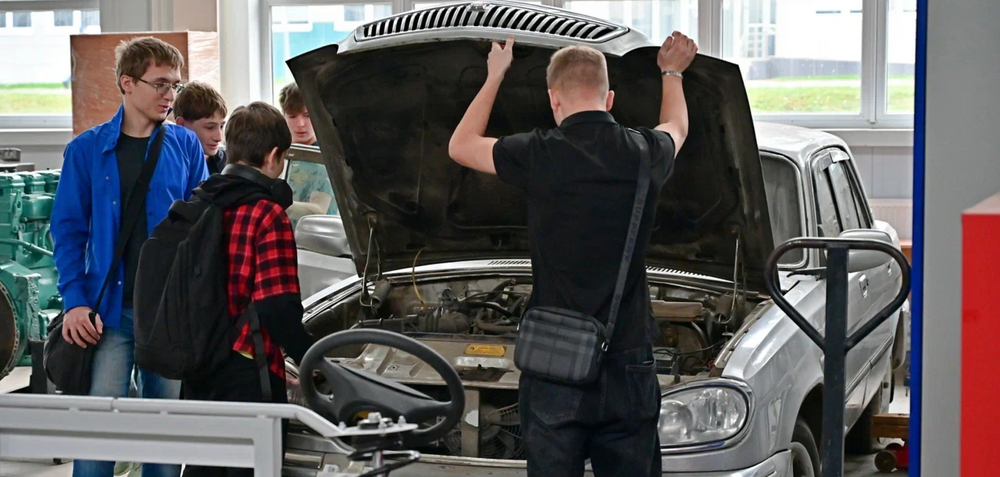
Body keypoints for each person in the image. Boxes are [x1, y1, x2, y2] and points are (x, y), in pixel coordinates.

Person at [447, 32, 698, 477]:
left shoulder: (538, 152)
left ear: (553, 99)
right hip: (628, 357)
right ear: (609, 98)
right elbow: (676, 126)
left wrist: (495, 74)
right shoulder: (644, 151)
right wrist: (671, 72)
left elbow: (461, 145)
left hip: (556, 360)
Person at [51, 36, 208, 477]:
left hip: (169, 315)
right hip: (107, 315)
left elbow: (202, 231)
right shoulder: (85, 150)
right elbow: (67, 231)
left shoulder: (185, 146)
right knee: (98, 435)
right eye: (160, 84)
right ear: (127, 83)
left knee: (165, 436)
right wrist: (74, 302)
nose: (169, 95)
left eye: (175, 85)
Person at [179, 101, 315, 477]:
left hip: (201, 362)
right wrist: (312, 360)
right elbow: (277, 306)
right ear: (273, 156)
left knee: (204, 466)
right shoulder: (267, 214)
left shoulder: (202, 200)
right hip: (247, 367)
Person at [277, 82, 338, 225]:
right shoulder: (278, 152)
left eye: (307, 115)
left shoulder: (326, 154)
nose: (301, 124)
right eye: (292, 116)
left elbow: (319, 210)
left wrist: (272, 202)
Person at [173, 81, 228, 174]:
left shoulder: (228, 164)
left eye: (221, 126)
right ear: (181, 125)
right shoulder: (168, 164)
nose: (219, 138)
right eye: (210, 127)